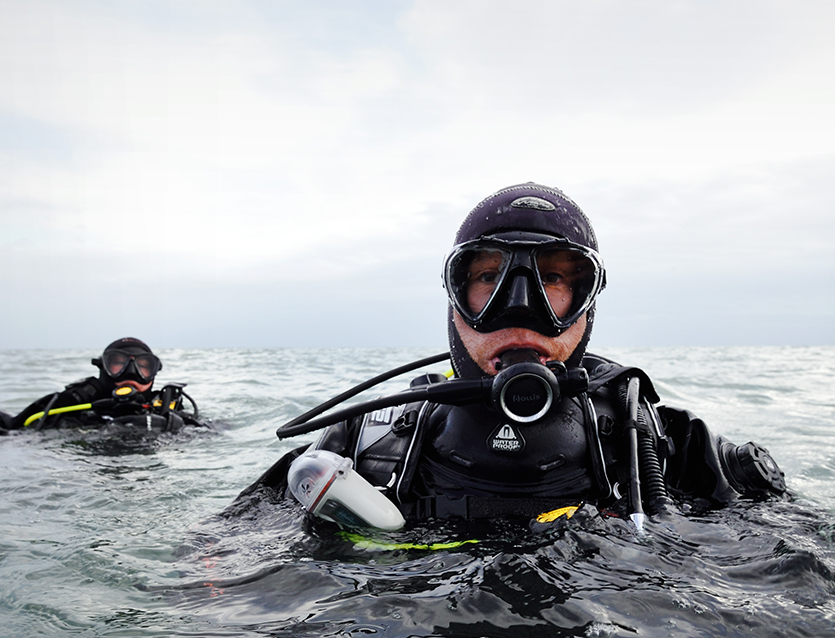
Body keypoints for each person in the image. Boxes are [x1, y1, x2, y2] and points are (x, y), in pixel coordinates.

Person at [258, 183, 786, 540]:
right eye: (487, 277)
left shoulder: (666, 445)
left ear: (588, 306)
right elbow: (213, 578)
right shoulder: (367, 443)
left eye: (554, 279)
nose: (519, 308)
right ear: (454, 299)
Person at [0, 337, 201, 436]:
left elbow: (215, 432)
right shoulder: (76, 400)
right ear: (103, 368)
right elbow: (3, 421)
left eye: (143, 366)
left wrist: (172, 425)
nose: (131, 374)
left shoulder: (166, 408)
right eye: (118, 364)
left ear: (154, 373)